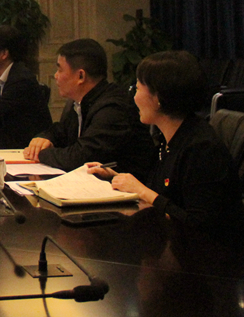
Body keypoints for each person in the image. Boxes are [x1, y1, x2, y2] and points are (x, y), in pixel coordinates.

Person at [89, 51, 244, 244]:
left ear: (159, 97)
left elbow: (199, 226)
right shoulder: (170, 138)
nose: (134, 97)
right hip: (175, 244)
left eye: (137, 88)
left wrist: (143, 191)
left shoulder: (201, 149)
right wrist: (115, 176)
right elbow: (164, 191)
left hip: (210, 255)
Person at [23, 39, 156, 178]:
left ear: (81, 76)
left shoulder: (112, 108)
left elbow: (80, 158)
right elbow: (60, 131)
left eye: (60, 69)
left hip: (127, 188)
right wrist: (44, 138)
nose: (56, 76)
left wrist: (40, 153)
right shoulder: (82, 101)